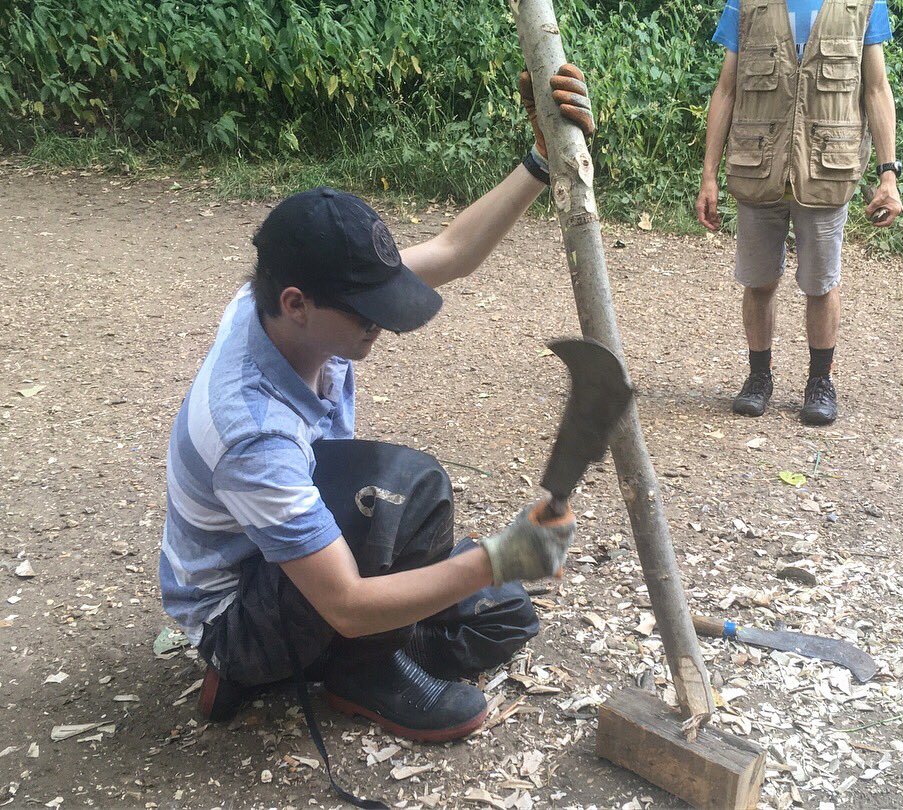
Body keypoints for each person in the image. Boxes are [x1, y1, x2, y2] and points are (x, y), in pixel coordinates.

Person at [159, 66, 594, 744]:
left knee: (503, 617)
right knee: (410, 491)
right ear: (297, 305)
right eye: (367, 314)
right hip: (242, 611)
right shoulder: (252, 429)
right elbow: (350, 603)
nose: (380, 325)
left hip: (292, 555)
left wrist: (540, 162)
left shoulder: (275, 298)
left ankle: (335, 662)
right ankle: (358, 671)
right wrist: (497, 557)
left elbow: (453, 251)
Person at [696, 0, 903, 425]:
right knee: (758, 281)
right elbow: (726, 89)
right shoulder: (745, 3)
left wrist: (888, 176)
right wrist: (709, 176)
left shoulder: (864, 4)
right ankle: (759, 376)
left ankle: (820, 381)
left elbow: (876, 89)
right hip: (758, 166)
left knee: (821, 284)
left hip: (828, 170)